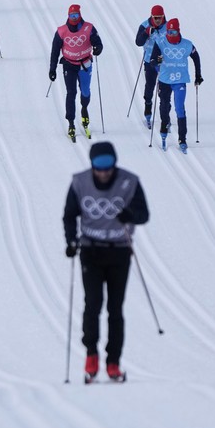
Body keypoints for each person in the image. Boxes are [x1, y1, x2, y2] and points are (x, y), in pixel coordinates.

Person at [63, 141, 149, 383]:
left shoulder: (129, 182)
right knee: (92, 304)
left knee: (115, 308)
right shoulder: (80, 182)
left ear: (114, 163)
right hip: (91, 250)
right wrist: (71, 241)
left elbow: (144, 214)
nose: (104, 172)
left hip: (120, 251)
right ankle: (91, 355)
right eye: (99, 167)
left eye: (108, 166)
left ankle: (113, 362)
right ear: (91, 166)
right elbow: (70, 215)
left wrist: (130, 214)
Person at [49, 4, 104, 140]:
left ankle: (84, 110)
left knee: (85, 91)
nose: (74, 18)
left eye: (76, 15)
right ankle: (71, 122)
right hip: (69, 65)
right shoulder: (61, 31)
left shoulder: (88, 28)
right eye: (71, 16)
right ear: (68, 16)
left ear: (80, 15)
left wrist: (98, 48)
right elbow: (55, 51)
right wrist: (52, 68)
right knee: (71, 93)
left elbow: (98, 42)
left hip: (85, 64)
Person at [149, 18, 203, 152]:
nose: (171, 35)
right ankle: (164, 126)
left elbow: (196, 58)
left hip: (180, 80)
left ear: (178, 31)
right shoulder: (160, 42)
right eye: (168, 32)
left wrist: (198, 75)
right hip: (164, 80)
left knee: (179, 108)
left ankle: (182, 139)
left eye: (173, 32)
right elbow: (152, 60)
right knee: (164, 105)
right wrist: (157, 61)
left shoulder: (187, 44)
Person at [134, 5, 168, 128]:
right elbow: (138, 42)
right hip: (149, 60)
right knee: (150, 85)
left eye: (160, 17)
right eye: (156, 18)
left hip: (165, 62)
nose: (158, 20)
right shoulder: (144, 25)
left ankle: (165, 116)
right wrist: (146, 33)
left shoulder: (168, 26)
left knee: (164, 90)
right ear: (152, 16)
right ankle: (148, 107)